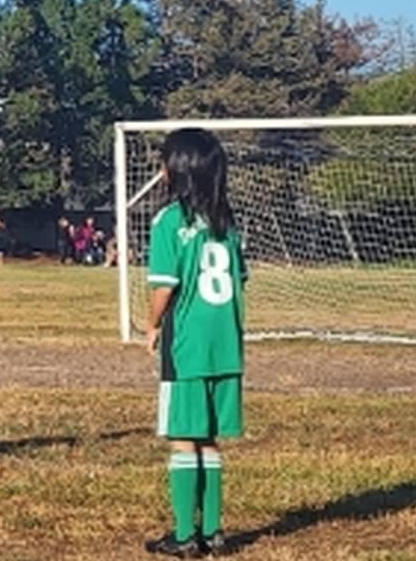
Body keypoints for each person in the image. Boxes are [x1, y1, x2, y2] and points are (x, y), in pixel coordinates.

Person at [143, 129, 244, 557]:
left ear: (178, 169)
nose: (160, 169)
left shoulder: (170, 221)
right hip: (228, 347)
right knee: (209, 439)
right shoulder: (227, 221)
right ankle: (215, 532)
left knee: (183, 437)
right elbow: (240, 280)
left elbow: (165, 286)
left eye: (164, 161)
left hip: (186, 346)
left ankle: (185, 535)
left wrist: (151, 326)